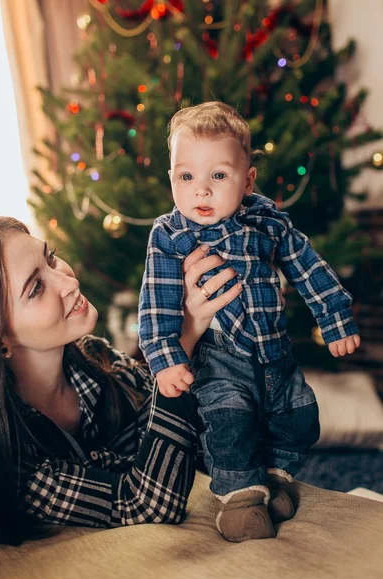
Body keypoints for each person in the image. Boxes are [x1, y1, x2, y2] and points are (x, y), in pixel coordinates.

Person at [138, 101, 361, 543]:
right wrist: (166, 359)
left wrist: (334, 319)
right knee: (231, 420)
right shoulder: (169, 235)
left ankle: (275, 477)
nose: (201, 191)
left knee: (299, 413)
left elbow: (307, 266)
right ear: (172, 180)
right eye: (187, 177)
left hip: (275, 349)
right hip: (220, 355)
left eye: (218, 176)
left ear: (248, 179)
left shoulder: (267, 221)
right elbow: (157, 302)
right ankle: (239, 497)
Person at [0, 215, 242, 546]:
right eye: (36, 288)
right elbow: (144, 504)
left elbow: (174, 428)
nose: (68, 282)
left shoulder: (94, 357)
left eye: (51, 258)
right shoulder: (8, 455)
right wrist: (178, 343)